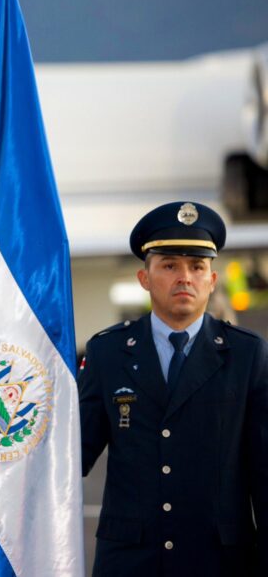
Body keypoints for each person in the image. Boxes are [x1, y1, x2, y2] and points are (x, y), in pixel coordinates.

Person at [79, 201, 268, 576]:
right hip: (130, 564)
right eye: (169, 266)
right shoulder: (108, 353)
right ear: (144, 278)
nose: (185, 278)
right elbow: (72, 457)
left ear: (212, 280)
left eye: (197, 267)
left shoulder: (247, 355)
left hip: (219, 562)